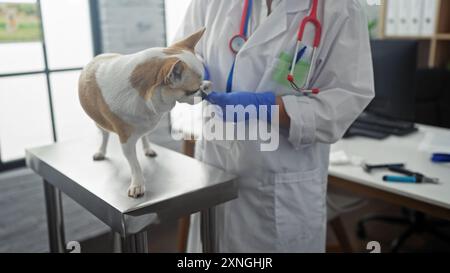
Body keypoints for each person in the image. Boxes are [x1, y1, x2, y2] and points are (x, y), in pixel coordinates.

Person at [174, 0, 375, 252]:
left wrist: (265, 106)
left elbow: (344, 101)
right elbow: (183, 51)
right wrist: (192, 71)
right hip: (215, 172)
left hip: (279, 187)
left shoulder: (341, 8)